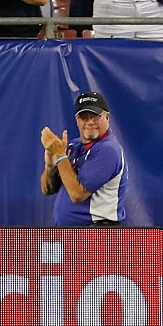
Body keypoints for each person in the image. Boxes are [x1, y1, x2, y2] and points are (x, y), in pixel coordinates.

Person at [40, 91, 128, 227]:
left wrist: (60, 155)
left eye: (95, 116)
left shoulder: (108, 150)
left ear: (107, 117)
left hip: (98, 235)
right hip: (70, 235)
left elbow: (77, 195)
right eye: (84, 117)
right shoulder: (73, 146)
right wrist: (50, 167)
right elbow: (48, 189)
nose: (90, 122)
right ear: (77, 120)